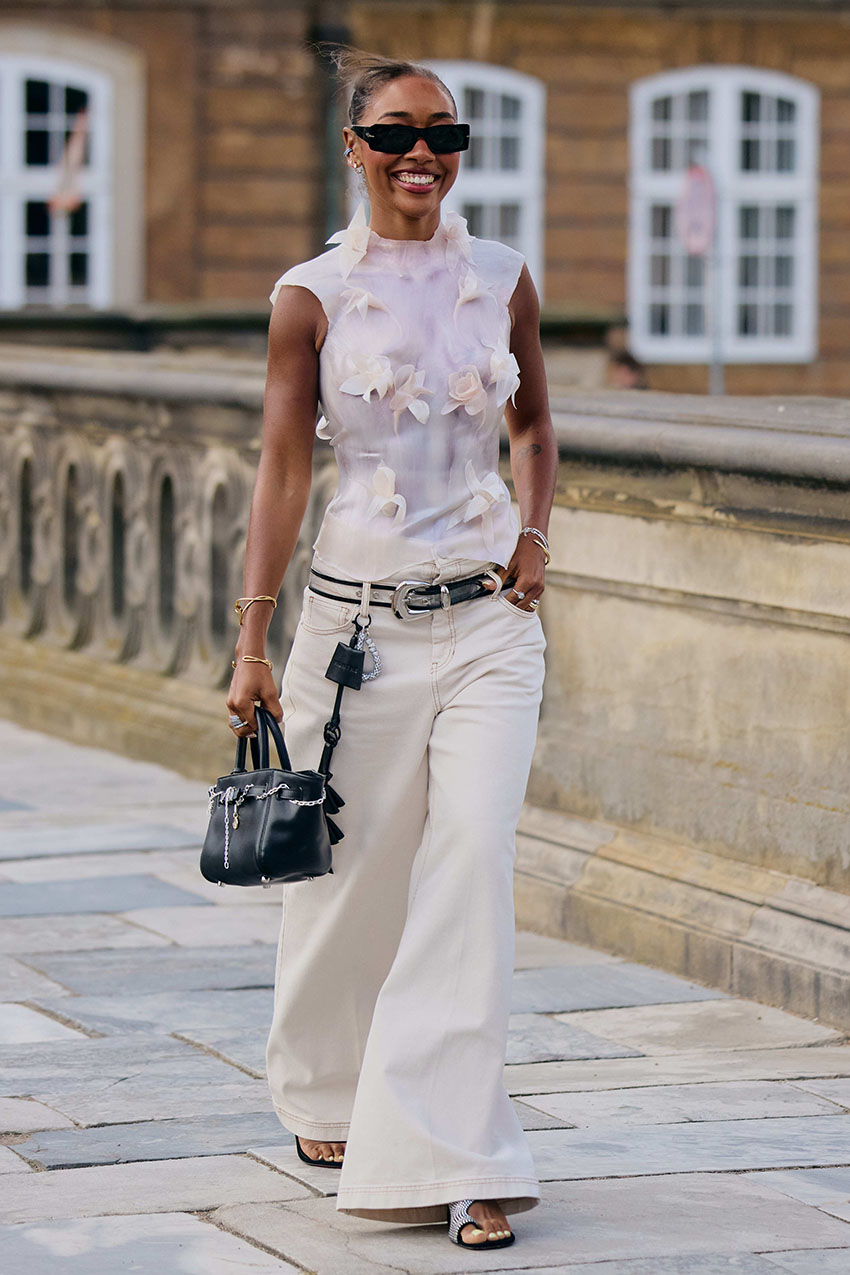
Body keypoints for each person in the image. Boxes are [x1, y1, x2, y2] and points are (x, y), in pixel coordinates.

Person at [225, 49, 557, 1253]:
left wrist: (532, 534)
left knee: (468, 863)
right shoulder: (308, 295)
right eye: (397, 132)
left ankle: (454, 1155)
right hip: (351, 625)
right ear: (354, 148)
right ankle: (320, 1080)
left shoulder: (505, 276)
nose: (424, 152)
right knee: (350, 873)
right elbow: (281, 466)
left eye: (445, 133)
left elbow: (534, 423)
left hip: (487, 627)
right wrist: (253, 638)